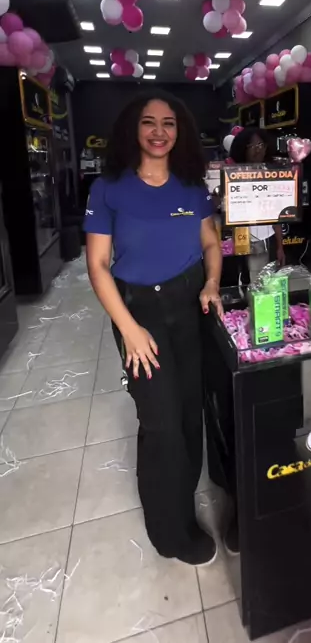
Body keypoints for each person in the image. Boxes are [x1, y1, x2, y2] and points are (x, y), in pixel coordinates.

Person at [84, 92, 223, 567]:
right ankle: (170, 534)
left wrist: (212, 283)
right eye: (149, 122)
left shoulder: (191, 186)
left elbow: (211, 243)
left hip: (189, 306)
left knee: (189, 414)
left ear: (180, 131)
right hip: (139, 312)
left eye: (169, 123)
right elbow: (98, 266)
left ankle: (183, 506)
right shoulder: (108, 188)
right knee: (161, 423)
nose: (159, 132)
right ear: (134, 129)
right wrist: (129, 329)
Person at [229, 127, 285, 282]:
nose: (257, 150)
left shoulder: (273, 175)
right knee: (246, 282)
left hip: (268, 238)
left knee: (269, 282)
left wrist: (280, 247)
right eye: (251, 146)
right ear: (243, 148)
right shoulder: (232, 175)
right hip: (242, 239)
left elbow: (277, 214)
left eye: (260, 145)